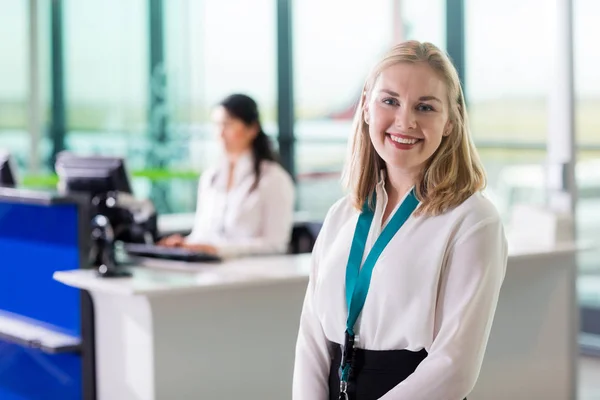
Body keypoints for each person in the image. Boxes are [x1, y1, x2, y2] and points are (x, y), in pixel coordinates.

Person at [292, 40, 508, 400]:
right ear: (365, 107)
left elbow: (454, 366)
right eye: (389, 101)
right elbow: (311, 337)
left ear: (451, 122)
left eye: (425, 107)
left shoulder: (473, 220)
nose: (405, 121)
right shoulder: (343, 214)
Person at [158, 93, 295, 258]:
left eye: (227, 125)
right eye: (216, 125)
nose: (220, 133)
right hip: (207, 273)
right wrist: (184, 244)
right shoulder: (210, 177)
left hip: (251, 276)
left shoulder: (274, 179)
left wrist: (219, 250)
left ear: (252, 129)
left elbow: (276, 245)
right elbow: (202, 235)